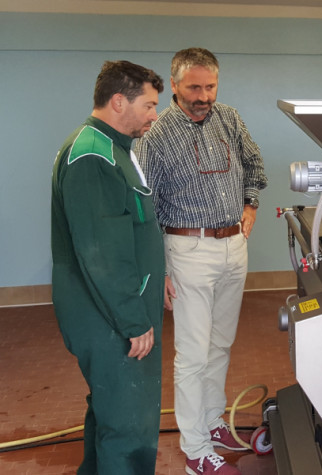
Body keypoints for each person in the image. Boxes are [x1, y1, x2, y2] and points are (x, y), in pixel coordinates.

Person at [134, 47, 268, 475]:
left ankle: (213, 422)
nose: (203, 95)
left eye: (210, 86)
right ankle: (195, 449)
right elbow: (144, 208)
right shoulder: (155, 136)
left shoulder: (229, 117)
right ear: (174, 86)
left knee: (221, 345)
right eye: (194, 87)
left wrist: (250, 204)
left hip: (234, 246)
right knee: (192, 354)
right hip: (186, 251)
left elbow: (254, 164)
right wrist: (162, 272)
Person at [51, 60, 165, 474]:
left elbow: (130, 231)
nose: (155, 115)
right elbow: (102, 255)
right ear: (119, 101)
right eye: (149, 105)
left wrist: (158, 282)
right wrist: (134, 321)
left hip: (117, 310)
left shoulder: (114, 148)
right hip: (110, 318)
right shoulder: (93, 156)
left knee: (112, 412)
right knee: (128, 424)